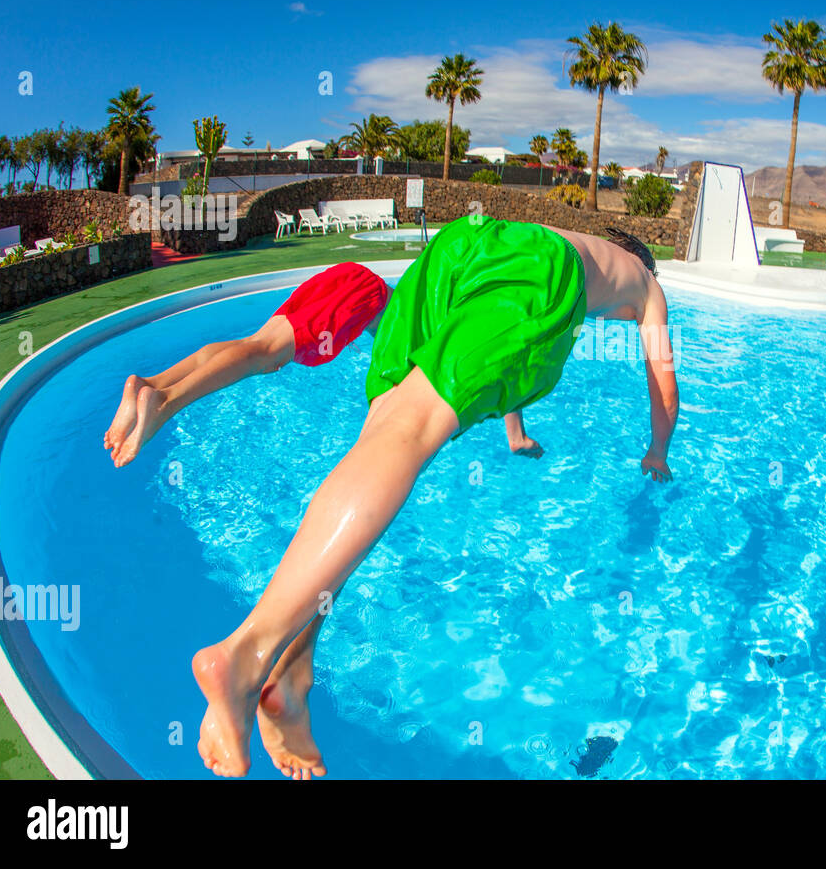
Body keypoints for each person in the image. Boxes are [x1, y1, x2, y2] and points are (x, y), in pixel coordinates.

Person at [190, 215, 680, 778]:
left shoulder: (566, 243)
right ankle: (244, 657)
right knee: (411, 430)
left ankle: (294, 671)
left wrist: (514, 433)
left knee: (383, 439)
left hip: (459, 252)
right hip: (534, 270)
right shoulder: (645, 283)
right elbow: (662, 380)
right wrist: (657, 452)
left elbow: (500, 316)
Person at [104, 262, 390, 468]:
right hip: (364, 296)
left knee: (253, 343)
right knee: (265, 355)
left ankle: (153, 382)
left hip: (352, 279)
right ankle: (165, 401)